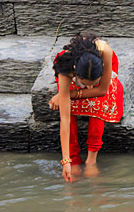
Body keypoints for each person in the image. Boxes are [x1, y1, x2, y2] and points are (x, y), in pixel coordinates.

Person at [49, 33, 123, 182]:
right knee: (68, 108)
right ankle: (75, 158)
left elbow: (101, 90)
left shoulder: (105, 53)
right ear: (75, 70)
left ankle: (91, 160)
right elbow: (64, 119)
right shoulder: (66, 67)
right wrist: (67, 161)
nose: (89, 87)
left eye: (92, 83)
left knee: (98, 103)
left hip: (99, 81)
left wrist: (69, 94)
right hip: (73, 75)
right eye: (85, 82)